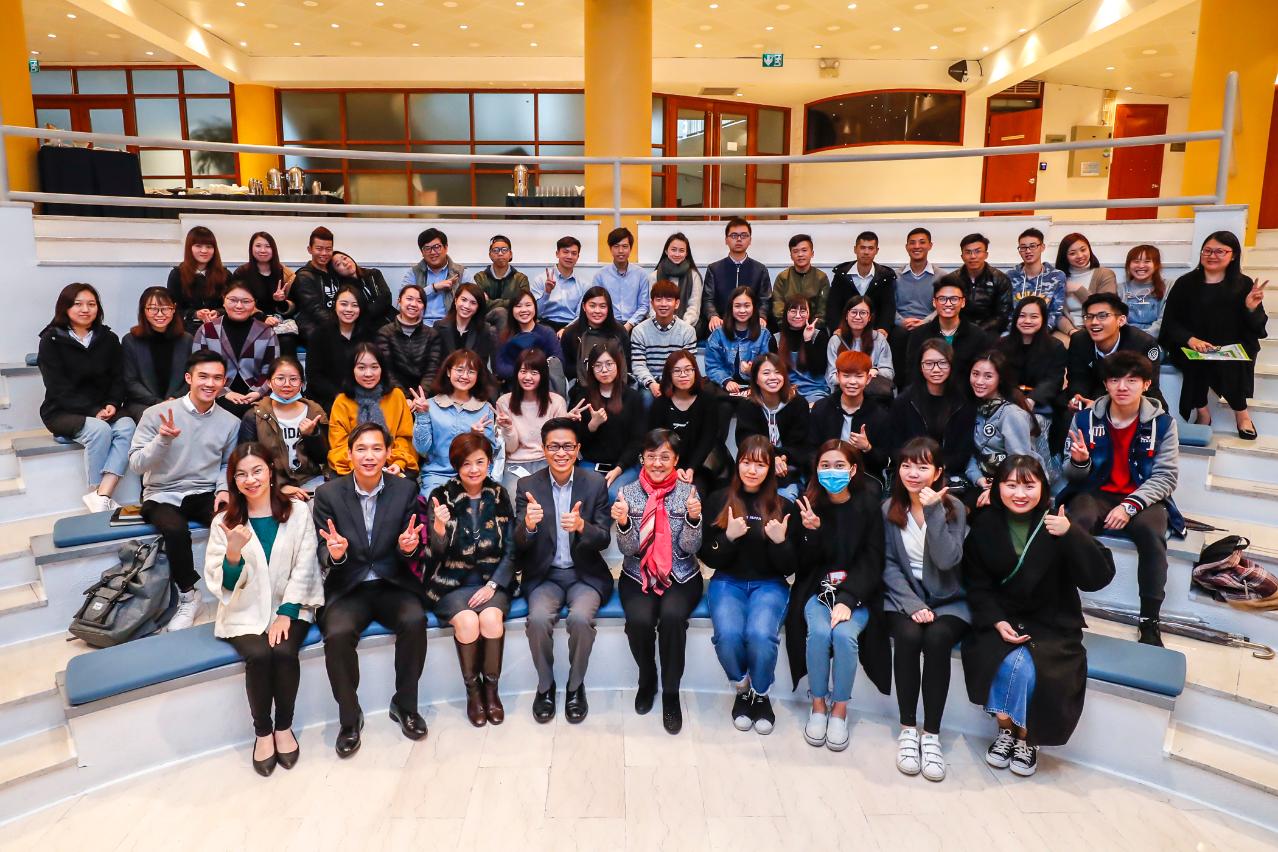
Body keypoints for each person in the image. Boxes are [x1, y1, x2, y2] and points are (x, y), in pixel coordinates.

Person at [962, 455, 1114, 775]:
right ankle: (1005, 730)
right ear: (997, 487)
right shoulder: (985, 524)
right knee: (1001, 663)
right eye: (1011, 485)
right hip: (1002, 617)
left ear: (1043, 488)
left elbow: (1098, 577)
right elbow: (977, 584)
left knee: (1034, 670)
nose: (1020, 494)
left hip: (1052, 621)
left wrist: (1071, 534)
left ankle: (1027, 738)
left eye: (1028, 486)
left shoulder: (1057, 522)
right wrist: (996, 620)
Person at [203, 443, 323, 775]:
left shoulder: (297, 512)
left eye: (257, 471)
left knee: (284, 651)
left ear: (271, 471)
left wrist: (286, 611)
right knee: (258, 654)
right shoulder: (224, 522)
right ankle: (262, 733)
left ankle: (284, 727)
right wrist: (233, 554)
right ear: (233, 480)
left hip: (291, 606)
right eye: (241, 474)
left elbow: (306, 563)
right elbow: (222, 584)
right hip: (244, 610)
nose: (250, 480)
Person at [313, 422, 429, 757]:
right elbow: (322, 549)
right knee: (337, 634)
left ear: (389, 452)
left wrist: (408, 548)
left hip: (392, 582)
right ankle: (350, 719)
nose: (369, 456)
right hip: (348, 585)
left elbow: (411, 543)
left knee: (415, 620)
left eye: (377, 448)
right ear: (349, 454)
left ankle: (405, 705)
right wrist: (335, 554)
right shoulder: (328, 494)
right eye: (361, 449)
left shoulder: (404, 490)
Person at [1063, 351, 1181, 645]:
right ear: (1105, 384)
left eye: (1132, 380)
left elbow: (1166, 477)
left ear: (1146, 384)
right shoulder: (1084, 419)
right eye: (1115, 380)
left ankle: (1149, 620)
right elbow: (1072, 475)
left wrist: (1129, 506)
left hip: (1142, 496)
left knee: (1151, 533)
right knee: (1076, 523)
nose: (1122, 387)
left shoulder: (1164, 424)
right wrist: (1079, 462)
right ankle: (1063, 602)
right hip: (1096, 492)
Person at [129, 350, 240, 632]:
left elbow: (227, 463)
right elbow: (137, 463)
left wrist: (224, 489)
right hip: (161, 492)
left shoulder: (230, 422)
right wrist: (162, 440)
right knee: (175, 529)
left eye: (217, 378)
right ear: (189, 378)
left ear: (224, 382)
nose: (210, 383)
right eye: (203, 376)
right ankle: (189, 597)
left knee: (233, 522)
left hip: (205, 490)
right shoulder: (156, 414)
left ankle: (237, 588)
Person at [879, 437, 969, 781]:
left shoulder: (954, 508)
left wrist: (932, 511)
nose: (913, 473)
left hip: (949, 599)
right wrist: (912, 603)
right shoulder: (888, 509)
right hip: (904, 597)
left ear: (938, 471)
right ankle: (907, 729)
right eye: (906, 465)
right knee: (908, 636)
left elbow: (947, 561)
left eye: (922, 466)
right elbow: (888, 565)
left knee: (937, 640)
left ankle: (931, 735)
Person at [785, 439, 883, 752]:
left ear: (853, 470)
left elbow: (872, 559)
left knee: (844, 636)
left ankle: (839, 709)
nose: (832, 471)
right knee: (818, 632)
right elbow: (801, 564)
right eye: (825, 465)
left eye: (839, 465)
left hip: (857, 593)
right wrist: (812, 532)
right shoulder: (808, 503)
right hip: (818, 591)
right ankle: (817, 705)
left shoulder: (869, 504)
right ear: (816, 469)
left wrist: (848, 598)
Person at [515, 419, 613, 724]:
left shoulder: (594, 483)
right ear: (544, 449)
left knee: (581, 619)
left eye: (568, 446)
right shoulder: (527, 486)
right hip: (545, 576)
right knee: (538, 620)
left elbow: (604, 538)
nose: (561, 452)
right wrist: (528, 526)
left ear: (578, 449)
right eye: (554, 446)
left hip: (584, 575)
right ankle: (545, 686)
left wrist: (583, 526)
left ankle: (575, 686)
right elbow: (518, 543)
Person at [417, 433, 516, 727]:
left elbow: (511, 549)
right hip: (450, 582)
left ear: (489, 463)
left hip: (491, 581)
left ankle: (491, 691)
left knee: (491, 619)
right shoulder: (441, 495)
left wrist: (493, 585)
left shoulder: (499, 494)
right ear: (456, 466)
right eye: (466, 464)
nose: (474, 470)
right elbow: (433, 554)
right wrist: (438, 527)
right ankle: (473, 693)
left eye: (480, 462)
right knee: (469, 622)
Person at [700, 435, 796, 734]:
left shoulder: (783, 505)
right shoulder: (718, 500)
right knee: (728, 635)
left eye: (760, 464)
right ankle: (742, 688)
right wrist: (728, 537)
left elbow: (791, 566)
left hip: (770, 584)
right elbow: (707, 555)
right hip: (727, 581)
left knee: (760, 634)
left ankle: (761, 693)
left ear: (770, 468)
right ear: (737, 463)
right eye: (746, 462)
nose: (752, 470)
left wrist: (780, 543)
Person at [613, 429, 704, 734]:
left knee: (672, 618)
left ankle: (671, 692)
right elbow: (628, 550)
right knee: (639, 620)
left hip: (681, 574)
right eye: (651, 456)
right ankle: (647, 677)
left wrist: (693, 519)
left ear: (676, 460)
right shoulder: (627, 493)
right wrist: (623, 523)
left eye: (665, 456)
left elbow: (691, 547)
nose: (657, 463)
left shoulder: (688, 492)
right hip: (638, 573)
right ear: (642, 458)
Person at [37, 283, 135, 513]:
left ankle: (102, 494)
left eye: (91, 304)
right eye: (78, 304)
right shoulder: (51, 340)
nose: (85, 309)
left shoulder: (108, 338)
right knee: (99, 430)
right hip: (62, 410)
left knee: (127, 426)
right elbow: (57, 387)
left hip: (103, 407)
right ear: (65, 307)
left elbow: (118, 377)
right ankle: (95, 492)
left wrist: (112, 403)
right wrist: (93, 411)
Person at [1160, 231, 1269, 437]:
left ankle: (1241, 413)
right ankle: (1203, 412)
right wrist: (1190, 339)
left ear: (1233, 255)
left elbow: (1257, 326)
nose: (1212, 255)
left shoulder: (1244, 284)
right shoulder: (1185, 283)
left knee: (1232, 360)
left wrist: (1251, 308)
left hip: (1231, 343)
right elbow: (1171, 322)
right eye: (1207, 251)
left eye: (1220, 251)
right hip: (1192, 343)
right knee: (1195, 360)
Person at [887, 339, 976, 491]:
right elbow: (896, 447)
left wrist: (936, 470)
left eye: (942, 363)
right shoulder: (904, 401)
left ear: (951, 365)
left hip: (949, 473)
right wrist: (919, 469)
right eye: (928, 364)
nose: (936, 369)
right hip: (911, 472)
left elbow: (963, 451)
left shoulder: (963, 402)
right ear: (920, 367)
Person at [412, 349, 502, 497]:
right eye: (459, 370)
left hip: (474, 475)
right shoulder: (430, 405)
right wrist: (422, 415)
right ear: (448, 372)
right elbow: (421, 449)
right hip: (438, 475)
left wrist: (477, 437)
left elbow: (489, 455)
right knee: (435, 504)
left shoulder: (485, 408)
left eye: (471, 372)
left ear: (477, 376)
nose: (465, 376)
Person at [967, 351, 1052, 507]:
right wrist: (978, 479)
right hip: (983, 481)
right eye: (975, 374)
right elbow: (972, 453)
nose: (979, 381)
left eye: (988, 376)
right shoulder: (974, 408)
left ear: (1000, 379)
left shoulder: (1012, 414)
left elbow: (1020, 463)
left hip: (1016, 486)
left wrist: (996, 489)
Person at [567, 339, 644, 501]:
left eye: (609, 364)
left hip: (624, 466)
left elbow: (637, 440)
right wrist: (591, 426)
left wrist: (619, 468)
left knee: (613, 494)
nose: (604, 370)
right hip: (590, 464)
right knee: (591, 494)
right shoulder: (582, 397)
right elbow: (575, 440)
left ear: (618, 365)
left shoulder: (632, 397)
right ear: (591, 368)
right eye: (598, 365)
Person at [328, 343, 418, 478]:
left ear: (382, 369)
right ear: (352, 370)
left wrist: (398, 463)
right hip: (352, 466)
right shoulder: (342, 401)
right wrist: (363, 466)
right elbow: (339, 445)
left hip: (391, 463)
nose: (368, 373)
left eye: (374, 367)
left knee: (406, 486)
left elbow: (405, 437)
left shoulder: (396, 396)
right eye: (361, 367)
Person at [191, 282, 279, 418]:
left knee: (253, 415)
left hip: (256, 395)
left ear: (254, 304)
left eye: (246, 301)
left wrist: (257, 392)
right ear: (224, 301)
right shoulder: (207, 330)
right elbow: (198, 367)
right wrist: (224, 392)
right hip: (214, 393)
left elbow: (271, 368)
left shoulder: (266, 332)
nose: (239, 306)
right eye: (233, 300)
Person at [1065, 292, 1165, 411]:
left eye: (1102, 316)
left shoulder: (1143, 343)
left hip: (1130, 398)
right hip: (1091, 393)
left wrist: (1100, 406)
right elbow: (1077, 378)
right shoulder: (1079, 340)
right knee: (1066, 411)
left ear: (1121, 320)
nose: (1094, 322)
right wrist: (1078, 399)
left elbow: (1147, 388)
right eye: (1089, 316)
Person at [238, 356, 327, 489]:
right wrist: (278, 488)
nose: (287, 384)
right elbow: (246, 461)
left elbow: (323, 458)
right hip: (269, 484)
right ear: (269, 382)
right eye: (280, 378)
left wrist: (312, 435)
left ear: (302, 383)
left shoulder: (314, 411)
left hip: (309, 480)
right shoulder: (254, 415)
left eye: (293, 379)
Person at [735, 353, 812, 500]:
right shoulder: (747, 405)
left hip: (789, 467)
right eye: (766, 373)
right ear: (756, 379)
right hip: (755, 466)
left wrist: (780, 459)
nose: (773, 377)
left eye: (778, 372)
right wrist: (771, 458)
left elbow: (801, 445)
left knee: (786, 499)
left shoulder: (798, 404)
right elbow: (745, 441)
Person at [647, 350, 722, 496]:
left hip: (698, 466)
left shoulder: (708, 401)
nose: (683, 375)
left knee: (692, 496)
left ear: (695, 372)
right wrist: (674, 469)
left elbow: (707, 440)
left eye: (688, 370)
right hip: (665, 467)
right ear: (669, 375)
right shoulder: (660, 403)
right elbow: (654, 441)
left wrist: (691, 468)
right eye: (677, 371)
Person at [809, 350, 890, 482]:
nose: (852, 382)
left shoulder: (879, 414)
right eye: (846, 376)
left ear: (868, 378)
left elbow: (883, 461)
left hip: (864, 476)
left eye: (859, 376)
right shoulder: (822, 408)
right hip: (825, 474)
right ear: (837, 376)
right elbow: (810, 450)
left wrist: (867, 448)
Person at [496, 349, 568, 494]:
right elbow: (510, 449)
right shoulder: (504, 402)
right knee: (515, 497)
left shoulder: (556, 402)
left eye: (534, 373)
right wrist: (508, 428)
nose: (527, 377)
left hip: (548, 461)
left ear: (543, 375)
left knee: (552, 497)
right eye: (523, 371)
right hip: (515, 464)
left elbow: (560, 443)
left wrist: (567, 424)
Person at [122, 286, 194, 422]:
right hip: (142, 403)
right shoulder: (130, 340)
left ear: (174, 309)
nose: (160, 314)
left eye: (165, 308)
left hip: (179, 401)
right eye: (153, 309)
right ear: (143, 310)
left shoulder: (186, 340)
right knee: (157, 419)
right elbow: (130, 381)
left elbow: (191, 377)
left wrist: (174, 399)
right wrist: (158, 402)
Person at [903, 279, 991, 389]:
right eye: (942, 299)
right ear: (934, 302)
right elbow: (912, 373)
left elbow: (981, 373)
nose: (948, 304)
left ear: (963, 302)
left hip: (964, 394)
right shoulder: (919, 334)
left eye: (954, 299)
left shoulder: (978, 336)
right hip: (927, 393)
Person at [995, 296, 1067, 420]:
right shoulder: (1002, 344)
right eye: (1022, 316)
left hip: (1040, 403)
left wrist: (1032, 400)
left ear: (1043, 319)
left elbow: (1053, 380)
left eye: (1034, 317)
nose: (1027, 321)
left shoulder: (1055, 347)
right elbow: (999, 377)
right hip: (1006, 401)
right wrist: (1015, 400)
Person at [304, 285, 371, 414]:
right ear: (335, 305)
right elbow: (314, 376)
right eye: (344, 304)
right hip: (326, 398)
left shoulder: (368, 335)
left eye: (355, 305)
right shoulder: (319, 334)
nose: (349, 309)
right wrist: (339, 395)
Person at [630, 279, 697, 402]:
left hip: (678, 381)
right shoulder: (639, 331)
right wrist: (651, 384)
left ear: (677, 304)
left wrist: (673, 384)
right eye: (659, 299)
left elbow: (688, 366)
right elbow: (638, 366)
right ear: (652, 303)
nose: (663, 304)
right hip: (651, 383)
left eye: (669, 300)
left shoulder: (688, 331)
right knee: (646, 398)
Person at [702, 217, 772, 334]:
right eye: (734, 235)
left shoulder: (760, 270)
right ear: (726, 240)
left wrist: (762, 316)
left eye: (744, 235)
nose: (739, 239)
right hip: (721, 324)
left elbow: (765, 299)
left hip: (752, 325)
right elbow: (708, 299)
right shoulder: (714, 269)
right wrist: (713, 315)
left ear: (750, 240)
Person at [705, 286, 775, 394]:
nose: (742, 310)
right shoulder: (718, 334)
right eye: (737, 306)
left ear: (753, 307)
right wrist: (726, 381)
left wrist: (751, 371)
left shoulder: (764, 335)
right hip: (724, 387)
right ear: (731, 308)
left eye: (747, 306)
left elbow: (769, 369)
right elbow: (713, 366)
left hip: (754, 387)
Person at [939, 233, 1012, 336]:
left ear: (986, 255)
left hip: (989, 332)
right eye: (968, 252)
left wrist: (977, 332)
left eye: (977, 251)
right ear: (962, 256)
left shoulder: (1000, 279)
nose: (973, 256)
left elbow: (1003, 315)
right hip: (957, 330)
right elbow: (945, 309)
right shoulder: (952, 279)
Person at [825, 294, 894, 401]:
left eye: (863, 313)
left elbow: (889, 372)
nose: (857, 317)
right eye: (854, 312)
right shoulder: (836, 340)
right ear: (846, 315)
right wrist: (855, 377)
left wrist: (875, 371)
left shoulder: (879, 339)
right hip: (844, 391)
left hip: (873, 393)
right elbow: (832, 377)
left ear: (869, 317)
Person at [890, 227, 942, 371]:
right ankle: (899, 383)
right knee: (898, 336)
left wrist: (925, 322)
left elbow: (943, 306)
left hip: (929, 325)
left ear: (930, 245)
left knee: (925, 335)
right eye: (912, 243)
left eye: (922, 242)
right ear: (907, 247)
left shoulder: (941, 276)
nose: (917, 246)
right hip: (901, 326)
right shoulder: (895, 276)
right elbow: (889, 305)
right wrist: (901, 321)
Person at [376, 283, 443, 393]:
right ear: (399, 301)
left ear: (423, 306)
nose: (413, 304)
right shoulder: (385, 333)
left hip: (424, 396)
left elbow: (431, 371)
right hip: (394, 394)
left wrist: (420, 396)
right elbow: (387, 371)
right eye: (409, 299)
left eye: (419, 301)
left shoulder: (432, 335)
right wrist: (403, 397)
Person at [827, 230, 896, 334]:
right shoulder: (841, 274)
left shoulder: (885, 276)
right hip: (846, 328)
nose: (866, 252)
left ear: (876, 251)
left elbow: (888, 307)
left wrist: (883, 328)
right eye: (862, 247)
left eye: (871, 248)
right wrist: (837, 327)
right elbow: (833, 305)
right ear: (855, 249)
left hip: (874, 329)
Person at [229, 231, 295, 339]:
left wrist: (281, 301)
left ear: (273, 249)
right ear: (251, 248)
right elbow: (237, 302)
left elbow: (292, 308)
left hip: (278, 322)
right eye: (258, 246)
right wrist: (263, 318)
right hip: (249, 320)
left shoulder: (285, 273)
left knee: (287, 340)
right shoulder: (241, 273)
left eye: (267, 246)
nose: (263, 250)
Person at [559, 286, 631, 383]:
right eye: (592, 306)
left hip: (615, 385)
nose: (597, 311)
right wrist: (590, 371)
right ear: (584, 306)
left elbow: (626, 365)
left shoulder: (619, 331)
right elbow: (565, 367)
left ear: (609, 308)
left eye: (602, 306)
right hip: (581, 384)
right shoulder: (570, 332)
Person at [494, 290, 565, 387]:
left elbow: (558, 361)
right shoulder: (505, 335)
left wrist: (533, 372)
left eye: (528, 305)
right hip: (514, 387)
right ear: (511, 310)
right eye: (518, 306)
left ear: (535, 307)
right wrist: (524, 373)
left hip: (543, 387)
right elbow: (500, 367)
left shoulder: (547, 333)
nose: (524, 310)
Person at [167, 225, 229, 331]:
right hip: (187, 329)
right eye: (198, 246)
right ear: (189, 248)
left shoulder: (225, 274)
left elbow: (232, 305)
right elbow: (173, 308)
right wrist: (195, 314)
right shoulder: (177, 274)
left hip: (220, 328)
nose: (204, 250)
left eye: (209, 246)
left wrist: (218, 312)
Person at [1056, 232, 1118, 337]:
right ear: (1065, 257)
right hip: (1069, 330)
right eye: (1072, 253)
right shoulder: (1059, 278)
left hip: (1097, 328)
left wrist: (1078, 289)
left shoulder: (1105, 274)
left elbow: (1105, 307)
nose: (1080, 256)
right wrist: (1072, 331)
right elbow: (1057, 314)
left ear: (1089, 249)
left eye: (1083, 250)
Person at [1008, 228, 1067, 336]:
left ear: (1042, 247)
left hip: (1044, 332)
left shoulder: (1057, 276)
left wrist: (1041, 332)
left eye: (1032, 246)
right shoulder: (1010, 276)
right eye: (1023, 247)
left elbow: (1056, 312)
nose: (1028, 251)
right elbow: (1007, 310)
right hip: (1015, 331)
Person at [403, 228, 464, 328]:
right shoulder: (413, 273)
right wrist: (433, 288)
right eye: (427, 248)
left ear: (446, 248)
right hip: (419, 325)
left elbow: (473, 299)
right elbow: (402, 303)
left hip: (451, 325)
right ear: (422, 252)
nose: (432, 252)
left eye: (437, 247)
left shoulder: (461, 273)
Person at [471, 234, 531, 337]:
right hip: (485, 318)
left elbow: (524, 304)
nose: (500, 253)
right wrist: (512, 301)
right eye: (495, 250)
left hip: (514, 319)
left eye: (504, 250)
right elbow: (480, 304)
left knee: (499, 320)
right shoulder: (479, 277)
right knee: (500, 312)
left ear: (510, 254)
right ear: (490, 255)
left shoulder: (521, 279)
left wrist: (490, 302)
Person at [775, 294, 830, 403]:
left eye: (803, 311)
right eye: (793, 311)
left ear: (809, 314)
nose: (798, 315)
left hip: (815, 391)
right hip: (787, 393)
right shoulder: (776, 339)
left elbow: (818, 370)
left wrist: (807, 340)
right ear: (786, 313)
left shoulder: (819, 336)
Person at [593, 226, 650, 331]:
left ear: (630, 248)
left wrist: (629, 325)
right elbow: (596, 304)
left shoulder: (641, 274)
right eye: (616, 246)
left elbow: (644, 306)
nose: (620, 250)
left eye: (625, 246)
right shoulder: (600, 276)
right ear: (610, 248)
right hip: (607, 326)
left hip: (635, 326)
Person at [291, 226, 340, 343]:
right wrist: (340, 327)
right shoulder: (304, 276)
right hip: (312, 325)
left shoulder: (336, 271)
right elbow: (315, 310)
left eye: (328, 249)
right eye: (319, 248)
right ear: (310, 249)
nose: (324, 253)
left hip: (337, 321)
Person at [770, 234, 830, 329]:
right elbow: (778, 307)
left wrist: (812, 327)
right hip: (786, 328)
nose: (800, 254)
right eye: (795, 251)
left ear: (812, 253)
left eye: (804, 250)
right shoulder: (783, 277)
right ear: (791, 255)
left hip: (813, 328)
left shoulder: (821, 277)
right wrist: (789, 327)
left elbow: (823, 310)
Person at [331, 250, 395, 336]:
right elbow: (358, 314)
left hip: (392, 319)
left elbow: (387, 297)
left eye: (345, 258)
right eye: (338, 264)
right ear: (336, 271)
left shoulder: (373, 273)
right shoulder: (345, 290)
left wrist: (366, 312)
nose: (345, 263)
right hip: (370, 330)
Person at [435, 282, 497, 369]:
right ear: (456, 301)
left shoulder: (484, 329)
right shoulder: (439, 327)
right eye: (463, 300)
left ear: (478, 307)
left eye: (473, 303)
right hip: (445, 374)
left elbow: (481, 364)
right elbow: (435, 362)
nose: (467, 306)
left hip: (471, 375)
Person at [530, 236, 587, 331]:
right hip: (545, 325)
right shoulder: (541, 279)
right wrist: (547, 293)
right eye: (565, 252)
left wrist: (566, 329)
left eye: (574, 253)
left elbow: (580, 316)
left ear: (578, 257)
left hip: (571, 327)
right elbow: (535, 313)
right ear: (557, 254)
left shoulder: (584, 285)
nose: (569, 256)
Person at [650, 232, 703, 329]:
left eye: (681, 250)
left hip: (686, 327)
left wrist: (681, 327)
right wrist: (661, 326)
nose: (677, 254)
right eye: (673, 250)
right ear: (666, 251)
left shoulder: (694, 276)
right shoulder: (654, 276)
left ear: (686, 253)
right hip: (658, 327)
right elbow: (651, 306)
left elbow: (694, 307)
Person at [1119, 244, 1169, 337]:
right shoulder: (1120, 289)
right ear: (1128, 265)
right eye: (1136, 261)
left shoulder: (1169, 286)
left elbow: (1166, 319)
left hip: (1157, 339)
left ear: (1156, 265)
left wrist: (1143, 338)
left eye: (1147, 261)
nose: (1141, 266)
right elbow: (1117, 319)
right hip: (1126, 338)